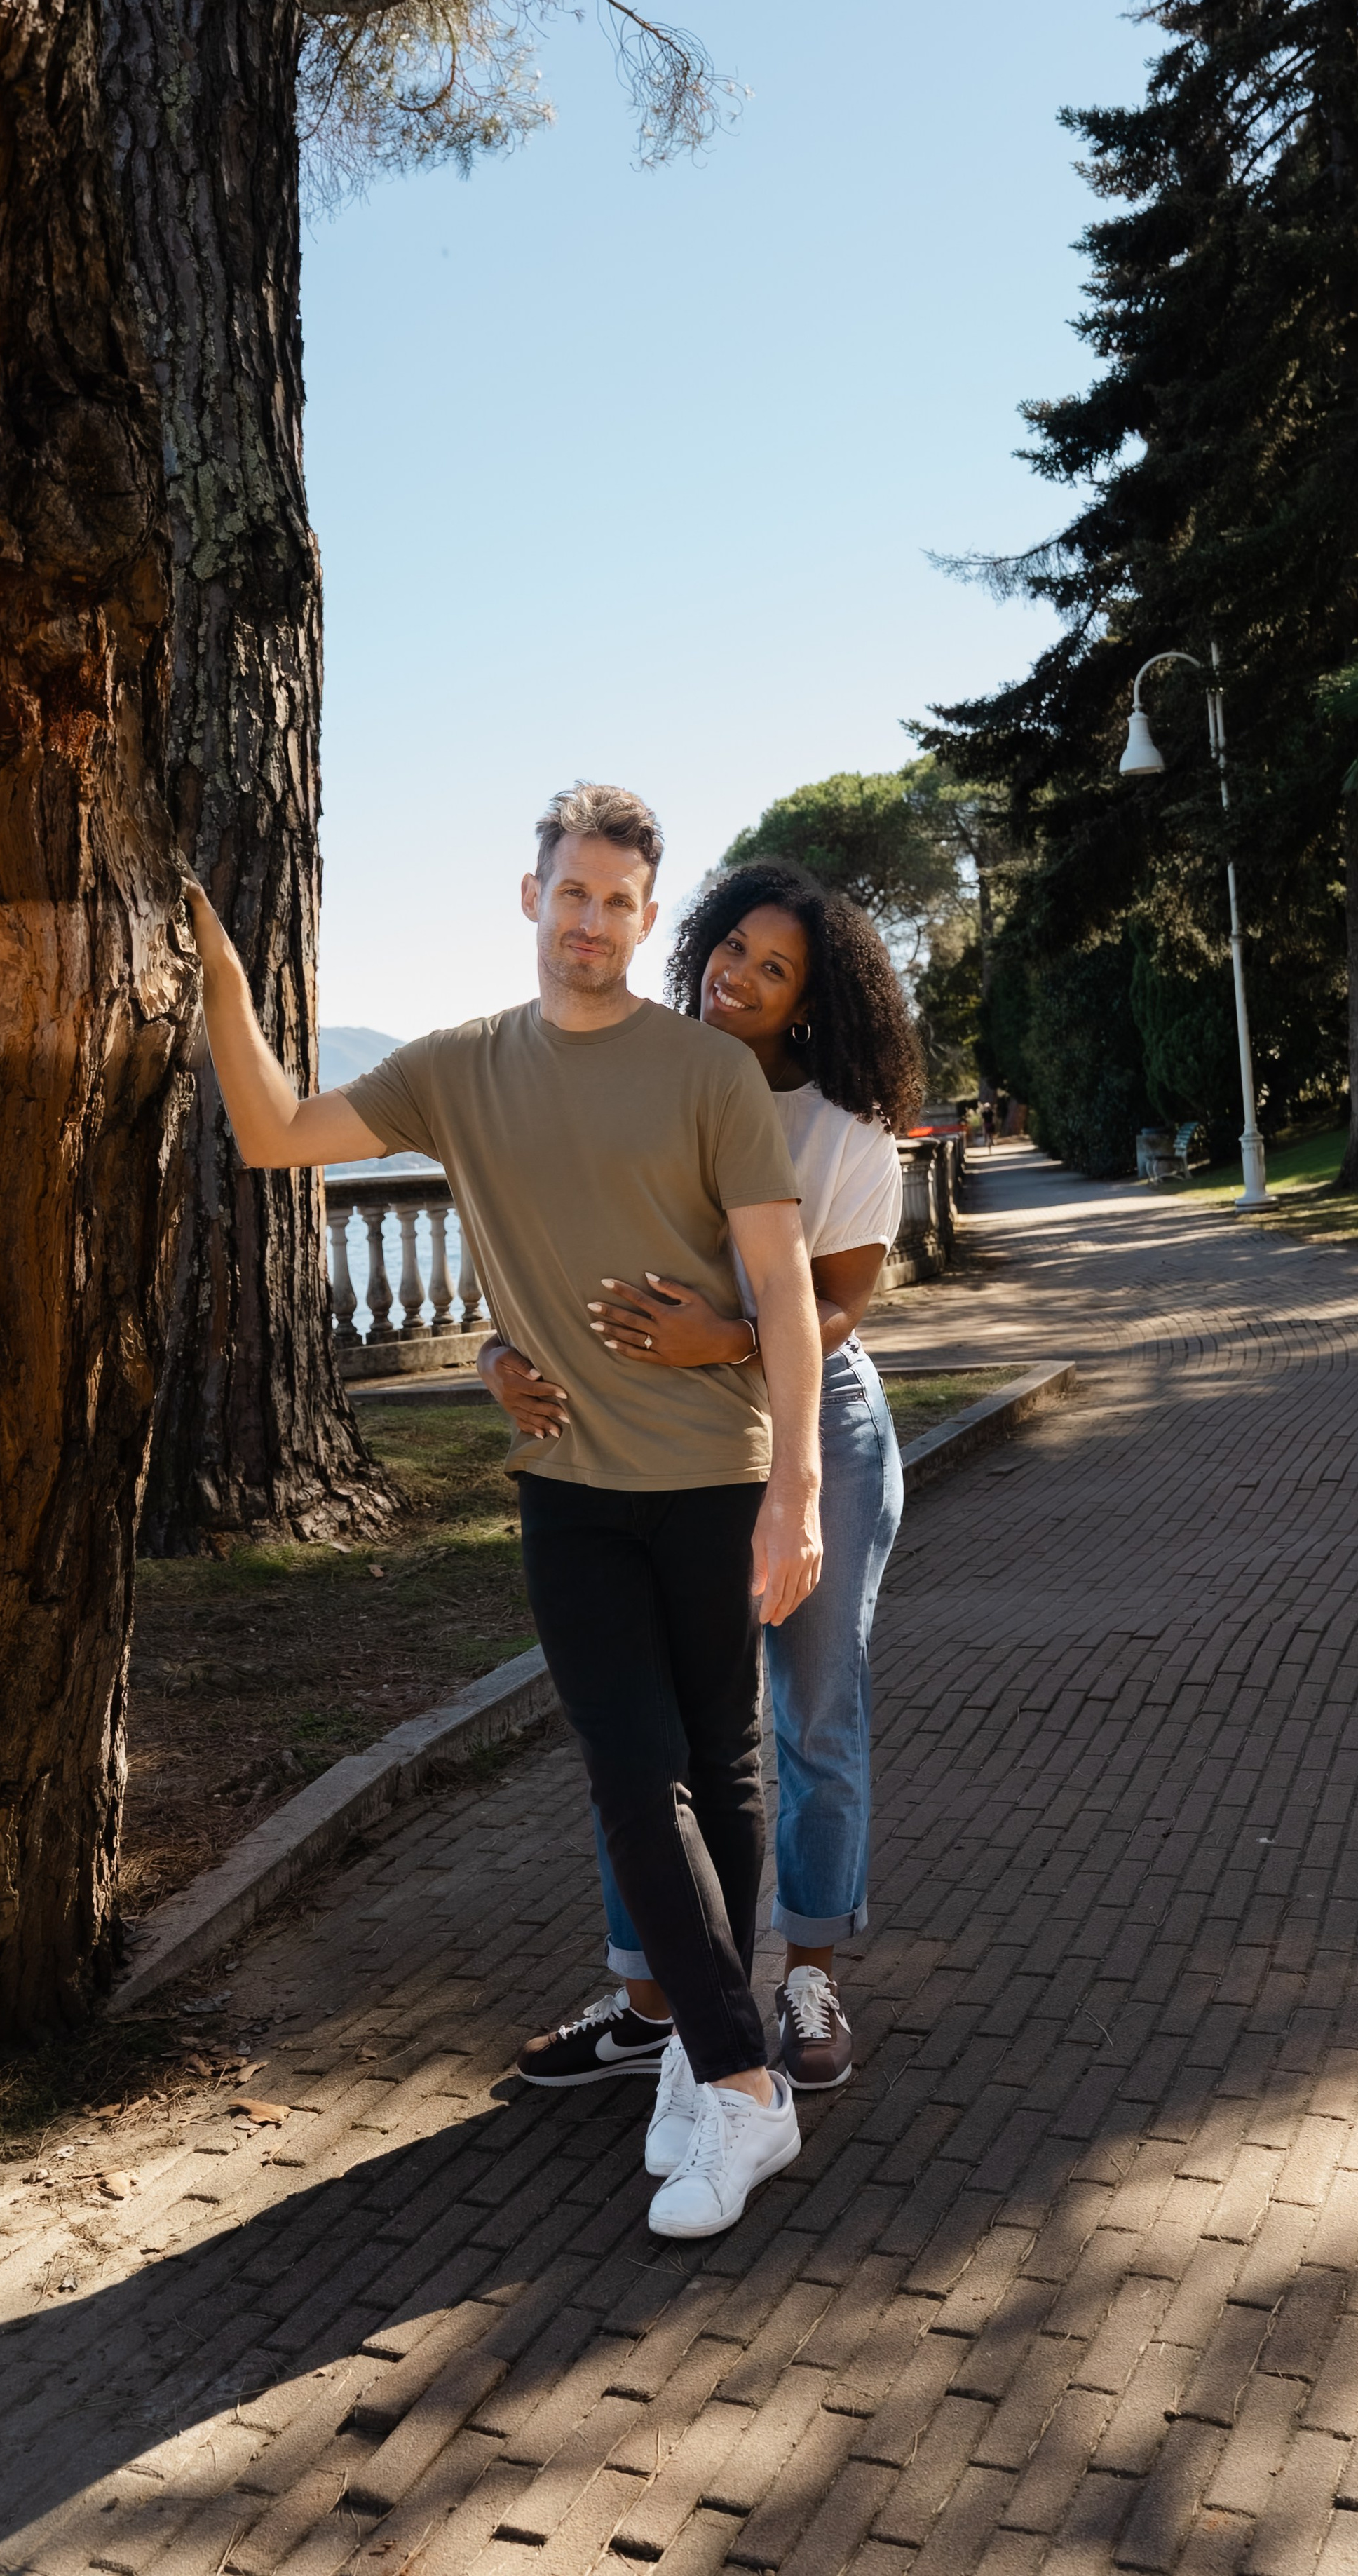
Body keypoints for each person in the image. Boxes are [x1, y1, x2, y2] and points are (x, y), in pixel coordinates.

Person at [180, 785, 827, 2243]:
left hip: (714, 1478)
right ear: (528, 898)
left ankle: (697, 2053)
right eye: (571, 892)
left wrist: (795, 1488)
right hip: (571, 1489)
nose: (591, 921)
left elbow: (781, 1294)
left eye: (618, 901)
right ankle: (742, 2076)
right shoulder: (459, 1069)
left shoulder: (706, 1076)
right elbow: (277, 1130)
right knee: (628, 1766)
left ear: (646, 919)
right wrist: (225, 981)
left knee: (719, 1774)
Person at [489, 858, 921, 2164]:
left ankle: (807, 1972)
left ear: (812, 1001)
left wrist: (729, 1338)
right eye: (731, 946)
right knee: (657, 1740)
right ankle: (652, 2000)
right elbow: (557, 1245)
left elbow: (840, 1306)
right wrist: (497, 1359)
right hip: (666, 1440)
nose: (737, 974)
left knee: (815, 1708)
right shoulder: (650, 1070)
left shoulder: (842, 1132)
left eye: (773, 968)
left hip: (816, 1431)